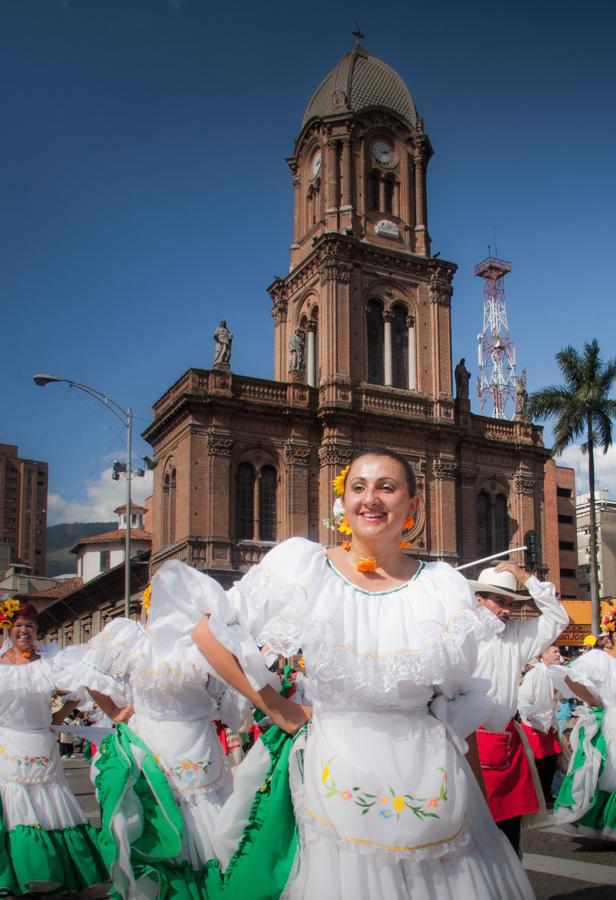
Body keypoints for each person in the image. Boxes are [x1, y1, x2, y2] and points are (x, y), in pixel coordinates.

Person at [181, 448, 535, 899]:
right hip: (337, 767)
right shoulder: (305, 567)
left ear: (413, 504)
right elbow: (209, 633)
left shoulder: (441, 587)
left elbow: (457, 709)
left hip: (428, 774)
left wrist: (479, 805)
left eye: (387, 487)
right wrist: (280, 708)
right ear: (344, 502)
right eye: (359, 487)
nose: (371, 498)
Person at [57, 579, 256, 899]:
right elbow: (88, 672)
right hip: (151, 747)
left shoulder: (204, 646)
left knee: (210, 826)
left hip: (200, 749)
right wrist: (117, 711)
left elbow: (233, 707)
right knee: (161, 821)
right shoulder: (131, 636)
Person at [0, 599, 107, 896]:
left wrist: (59, 716)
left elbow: (82, 684)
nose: (24, 631)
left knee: (48, 806)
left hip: (39, 741)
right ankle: (15, 874)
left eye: (30, 627)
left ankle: (50, 870)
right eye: (19, 626)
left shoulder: (50, 661)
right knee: (13, 807)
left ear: (37, 631)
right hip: (5, 743)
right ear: (9, 628)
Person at [468, 563, 568, 854]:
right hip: (466, 744)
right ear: (478, 599)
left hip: (505, 746)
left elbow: (558, 617)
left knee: (508, 837)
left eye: (510, 602)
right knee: (469, 838)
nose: (506, 609)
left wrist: (528, 579)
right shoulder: (458, 633)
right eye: (500, 601)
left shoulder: (517, 634)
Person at [553, 613, 616, 840]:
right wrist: (596, 702)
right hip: (605, 726)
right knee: (597, 775)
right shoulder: (600, 659)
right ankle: (595, 824)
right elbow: (570, 679)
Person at [518, 644, 563, 805]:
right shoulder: (534, 673)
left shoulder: (555, 673)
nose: (559, 654)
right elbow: (523, 699)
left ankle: (546, 795)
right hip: (534, 726)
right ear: (544, 656)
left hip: (548, 725)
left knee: (551, 762)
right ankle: (537, 797)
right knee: (537, 764)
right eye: (555, 652)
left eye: (558, 651)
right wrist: (531, 714)